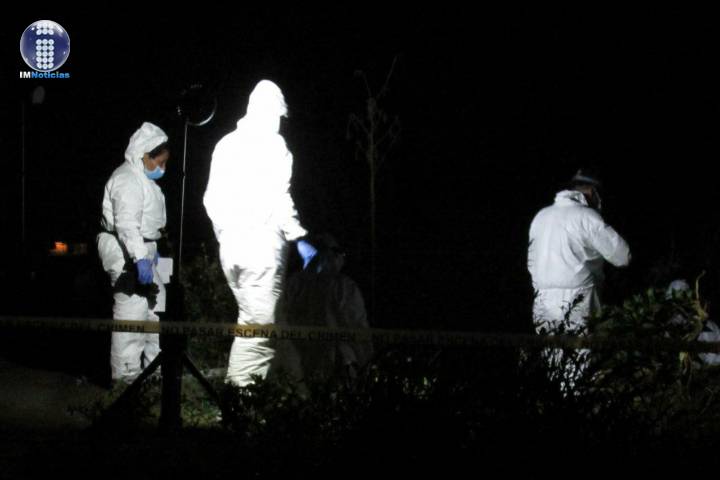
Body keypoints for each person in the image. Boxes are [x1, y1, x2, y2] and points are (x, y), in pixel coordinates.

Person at [203, 80, 308, 387]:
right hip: (260, 250)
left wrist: (228, 236)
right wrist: (299, 237)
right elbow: (280, 198)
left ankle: (297, 392)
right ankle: (239, 403)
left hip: (232, 251)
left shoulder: (226, 144)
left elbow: (211, 200)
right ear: (273, 111)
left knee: (273, 322)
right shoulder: (272, 145)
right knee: (257, 332)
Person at [97, 122, 170, 383]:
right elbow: (127, 224)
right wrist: (139, 258)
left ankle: (153, 374)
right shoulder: (127, 179)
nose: (162, 167)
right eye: (160, 162)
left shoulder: (144, 180)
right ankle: (126, 383)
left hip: (145, 248)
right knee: (132, 313)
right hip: (124, 249)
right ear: (144, 154)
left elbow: (150, 225)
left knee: (154, 310)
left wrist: (153, 255)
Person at [528, 169, 631, 333]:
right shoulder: (587, 216)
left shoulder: (540, 216)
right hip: (580, 300)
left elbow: (531, 261)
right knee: (581, 348)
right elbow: (622, 256)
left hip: (543, 300)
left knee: (550, 348)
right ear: (592, 191)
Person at [274, 233, 373, 384]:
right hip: (334, 364)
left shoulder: (293, 284)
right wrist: (366, 363)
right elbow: (357, 327)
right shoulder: (342, 286)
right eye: (338, 252)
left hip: (298, 362)